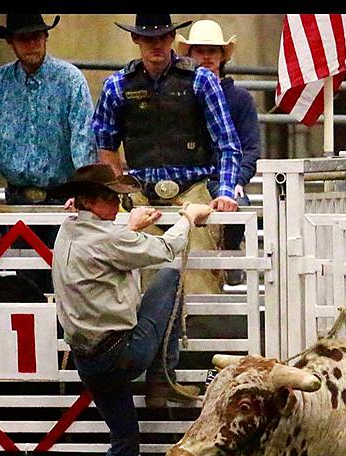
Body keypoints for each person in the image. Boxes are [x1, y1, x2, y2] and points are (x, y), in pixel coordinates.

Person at [50, 164, 213, 456]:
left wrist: (126, 224)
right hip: (123, 353)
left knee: (124, 441)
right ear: (89, 201)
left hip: (89, 361)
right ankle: (163, 376)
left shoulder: (68, 231)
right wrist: (187, 218)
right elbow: (162, 251)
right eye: (110, 198)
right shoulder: (107, 239)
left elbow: (112, 244)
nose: (116, 202)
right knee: (170, 278)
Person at [92, 13, 242, 295]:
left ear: (172, 38)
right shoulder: (117, 86)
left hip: (193, 192)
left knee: (199, 283)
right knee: (143, 288)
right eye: (148, 39)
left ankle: (200, 334)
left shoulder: (201, 81)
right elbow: (105, 145)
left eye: (161, 38)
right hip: (140, 196)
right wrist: (118, 190)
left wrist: (225, 192)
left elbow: (228, 143)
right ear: (136, 39)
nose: (155, 45)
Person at [0, 14, 97, 293]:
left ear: (46, 37)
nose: (32, 44)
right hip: (17, 201)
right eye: (24, 38)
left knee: (67, 283)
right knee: (24, 286)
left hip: (64, 201)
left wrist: (82, 189)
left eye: (37, 36)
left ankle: (64, 336)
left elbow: (83, 138)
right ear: (10, 42)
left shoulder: (70, 80)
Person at [178, 18, 260, 285]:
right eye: (200, 50)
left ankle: (229, 257)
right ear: (189, 54)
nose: (206, 56)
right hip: (189, 178)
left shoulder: (240, 99)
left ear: (222, 56)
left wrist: (236, 180)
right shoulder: (180, 96)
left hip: (224, 178)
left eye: (212, 51)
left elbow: (250, 149)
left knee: (239, 210)